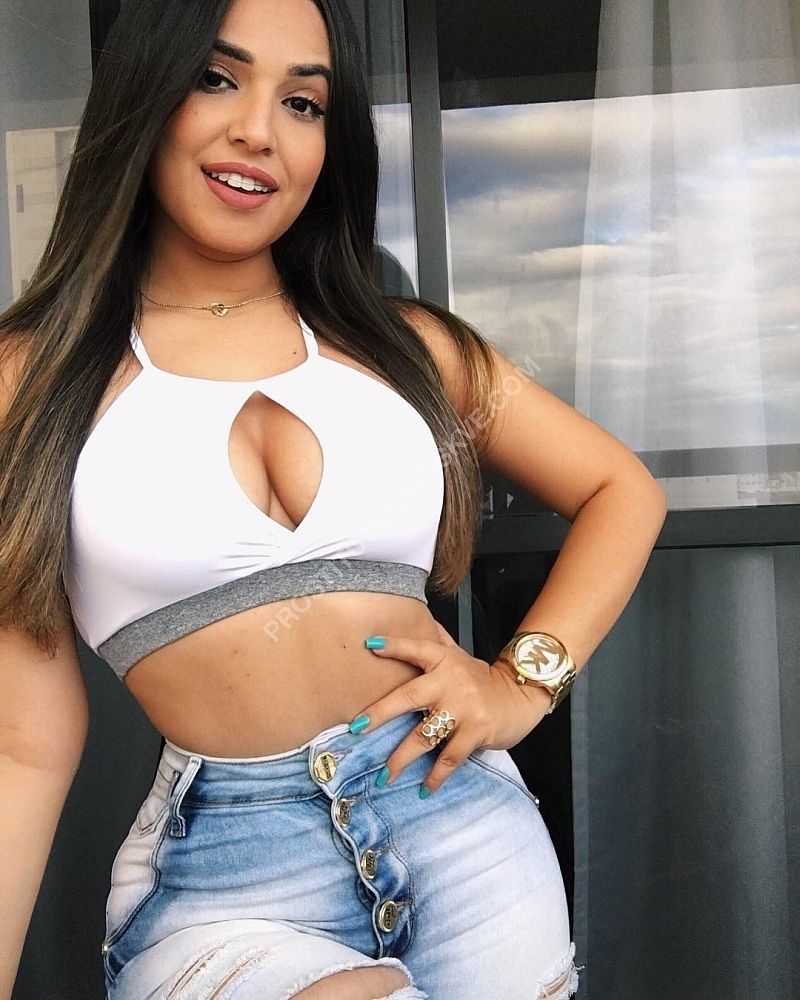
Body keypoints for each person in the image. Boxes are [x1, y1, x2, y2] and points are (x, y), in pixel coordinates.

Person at [0, 1, 668, 997]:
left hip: (458, 823)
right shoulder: (27, 382)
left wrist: (520, 684)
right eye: (217, 79)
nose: (258, 131)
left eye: (302, 102)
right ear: (146, 93)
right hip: (230, 868)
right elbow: (23, 743)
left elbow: (622, 490)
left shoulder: (404, 348)